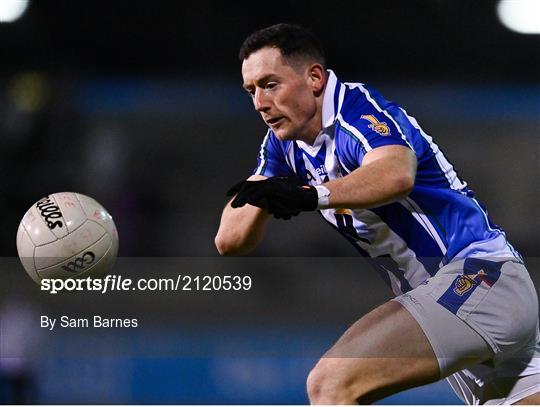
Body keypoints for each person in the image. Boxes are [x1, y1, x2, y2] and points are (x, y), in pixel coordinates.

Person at [214, 23, 540, 404]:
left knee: (331, 382)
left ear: (315, 78)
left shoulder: (356, 111)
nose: (259, 102)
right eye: (251, 90)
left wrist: (310, 195)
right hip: (463, 297)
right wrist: (268, 194)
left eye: (270, 84)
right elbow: (230, 241)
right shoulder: (284, 147)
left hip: (477, 278)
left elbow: (396, 173)